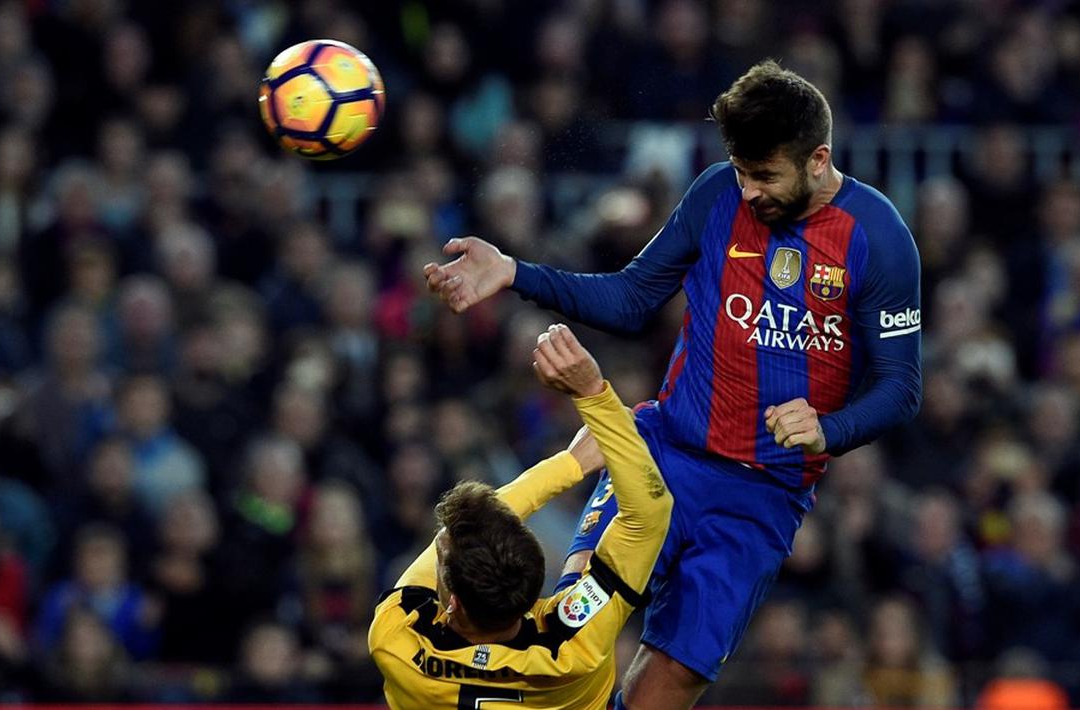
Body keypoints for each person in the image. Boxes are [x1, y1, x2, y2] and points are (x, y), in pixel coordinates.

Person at [424, 60, 922, 708]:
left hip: (763, 496)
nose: (749, 191)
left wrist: (830, 429)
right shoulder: (716, 194)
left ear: (818, 159)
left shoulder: (878, 237)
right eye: (741, 171)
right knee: (570, 637)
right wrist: (515, 272)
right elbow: (631, 298)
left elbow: (900, 386)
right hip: (662, 458)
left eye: (765, 175)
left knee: (673, 680)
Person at [368, 324, 673, 709]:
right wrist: (593, 397)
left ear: (453, 602)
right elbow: (650, 511)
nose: (441, 541)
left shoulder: (396, 640)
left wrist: (569, 464)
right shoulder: (575, 644)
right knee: (599, 562)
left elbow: (447, 537)